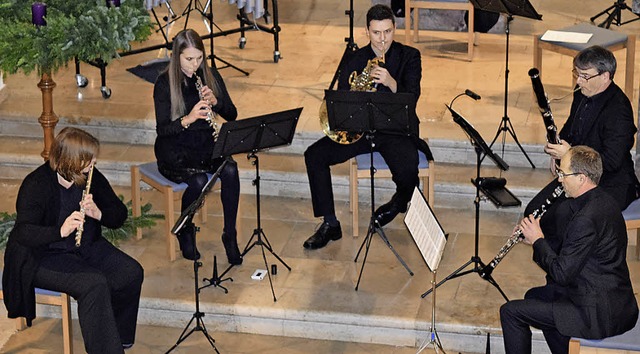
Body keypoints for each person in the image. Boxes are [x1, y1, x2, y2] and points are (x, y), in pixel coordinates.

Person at [2, 127, 144, 353]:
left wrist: (99, 214)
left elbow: (119, 215)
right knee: (93, 283)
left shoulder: (90, 177)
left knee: (130, 271)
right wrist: (60, 231)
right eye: (88, 159)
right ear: (70, 161)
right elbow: (23, 233)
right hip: (44, 256)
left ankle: (118, 336)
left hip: (86, 247)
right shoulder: (36, 184)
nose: (93, 163)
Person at [303, 4, 430, 250]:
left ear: (395, 28)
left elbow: (412, 98)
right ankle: (330, 223)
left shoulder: (409, 56)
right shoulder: (354, 59)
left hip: (395, 131)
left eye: (388, 32)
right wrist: (351, 99)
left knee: (407, 171)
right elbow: (340, 100)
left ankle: (397, 204)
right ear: (367, 31)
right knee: (314, 156)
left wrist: (392, 82)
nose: (383, 39)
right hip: (360, 130)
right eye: (376, 33)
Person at [500, 146, 638, 353]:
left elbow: (561, 274)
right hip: (609, 296)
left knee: (510, 312)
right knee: (534, 297)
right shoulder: (602, 200)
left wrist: (538, 240)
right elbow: (572, 253)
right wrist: (535, 239)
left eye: (563, 173)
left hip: (596, 313)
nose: (559, 179)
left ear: (582, 178)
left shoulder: (586, 218)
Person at [526, 46, 639, 239]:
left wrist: (569, 155)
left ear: (605, 76)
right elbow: (571, 128)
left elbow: (611, 162)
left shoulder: (619, 110)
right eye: (577, 74)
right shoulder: (581, 93)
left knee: (562, 220)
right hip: (577, 175)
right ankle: (558, 262)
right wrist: (557, 148)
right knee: (533, 213)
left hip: (611, 183)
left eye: (585, 76)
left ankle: (564, 265)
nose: (578, 81)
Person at [153, 28, 242, 264]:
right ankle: (185, 228)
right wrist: (189, 118)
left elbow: (232, 114)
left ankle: (230, 234)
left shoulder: (209, 76)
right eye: (189, 59)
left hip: (204, 143)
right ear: (176, 57)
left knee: (231, 170)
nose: (195, 65)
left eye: (199, 58)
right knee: (199, 181)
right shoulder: (164, 83)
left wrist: (217, 102)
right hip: (175, 148)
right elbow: (163, 130)